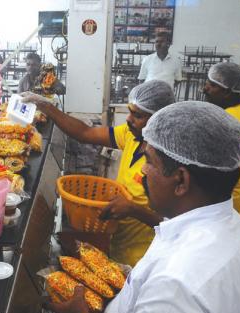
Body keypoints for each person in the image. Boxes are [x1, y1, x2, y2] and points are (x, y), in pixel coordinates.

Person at [46, 101, 240, 313]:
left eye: (149, 162)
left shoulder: (176, 284)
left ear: (181, 181)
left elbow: (175, 293)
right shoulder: (237, 227)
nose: (144, 172)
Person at [22, 80, 174, 266]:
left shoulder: (167, 162)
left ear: (159, 118)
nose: (128, 119)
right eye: (130, 111)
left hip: (145, 258)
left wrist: (134, 210)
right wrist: (46, 107)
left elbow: (176, 226)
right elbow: (86, 133)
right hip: (118, 246)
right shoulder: (132, 136)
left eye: (138, 115)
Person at [204, 62, 240, 212]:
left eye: (212, 85)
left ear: (226, 92)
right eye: (207, 81)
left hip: (230, 195)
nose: (205, 88)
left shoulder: (227, 120)